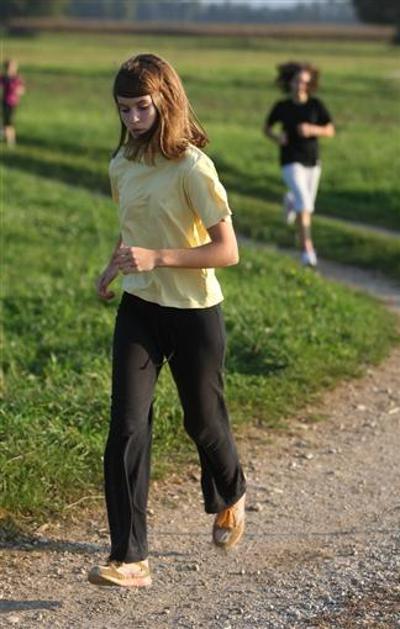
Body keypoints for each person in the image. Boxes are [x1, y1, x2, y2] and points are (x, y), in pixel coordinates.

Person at [88, 53, 247, 589]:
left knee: (203, 421)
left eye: (142, 107)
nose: (132, 119)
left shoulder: (192, 168)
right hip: (140, 309)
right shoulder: (122, 164)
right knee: (126, 428)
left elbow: (227, 251)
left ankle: (231, 491)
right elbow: (133, 227)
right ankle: (129, 558)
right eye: (124, 109)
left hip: (195, 312)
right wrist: (115, 265)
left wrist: (158, 257)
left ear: (165, 101)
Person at [264, 61, 335, 267]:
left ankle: (290, 200)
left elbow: (330, 130)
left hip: (312, 161)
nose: (300, 86)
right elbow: (267, 128)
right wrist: (277, 137)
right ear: (290, 82)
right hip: (290, 160)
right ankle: (307, 250)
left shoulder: (316, 105)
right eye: (297, 81)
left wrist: (313, 129)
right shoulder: (282, 106)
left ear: (309, 84)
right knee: (305, 204)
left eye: (304, 82)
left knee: (306, 206)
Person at [0, 59, 25, 147]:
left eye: (12, 67)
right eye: (8, 67)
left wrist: (16, 90)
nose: (10, 69)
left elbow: (21, 90)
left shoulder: (16, 78)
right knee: (6, 121)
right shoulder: (5, 78)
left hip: (12, 103)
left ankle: (10, 140)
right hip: (4, 101)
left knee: (9, 122)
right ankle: (6, 137)